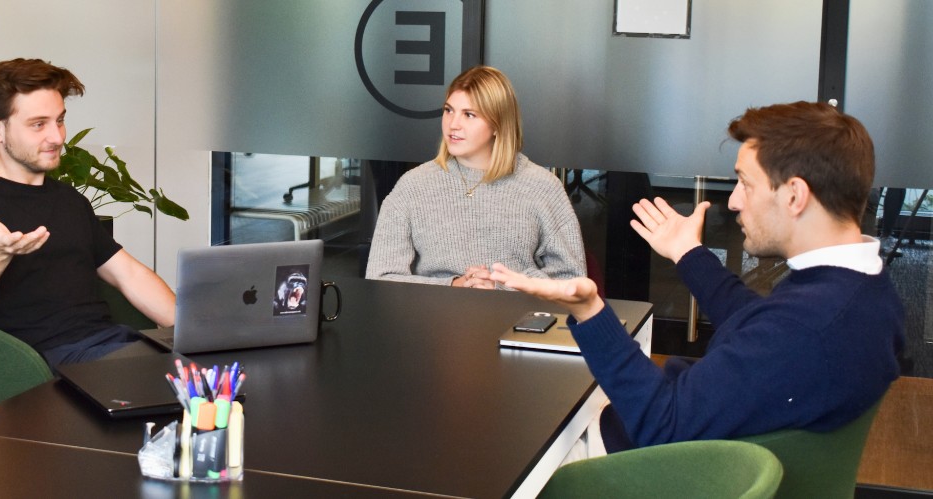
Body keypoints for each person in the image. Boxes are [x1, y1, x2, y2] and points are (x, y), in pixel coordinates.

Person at [492, 101, 904, 454]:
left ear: (795, 195)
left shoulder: (807, 328)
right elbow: (758, 324)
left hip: (635, 464)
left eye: (744, 182)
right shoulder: (862, 288)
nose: (734, 201)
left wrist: (589, 310)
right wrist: (688, 253)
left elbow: (661, 425)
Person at [0, 58, 175, 370]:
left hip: (110, 347)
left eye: (59, 121)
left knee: (217, 378)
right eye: (38, 124)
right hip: (43, 367)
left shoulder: (70, 201)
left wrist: (197, 332)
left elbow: (129, 275)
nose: (57, 137)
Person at [365, 66, 585, 288]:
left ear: (498, 125)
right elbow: (380, 278)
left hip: (517, 319)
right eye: (449, 110)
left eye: (469, 115)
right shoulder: (412, 186)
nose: (453, 124)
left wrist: (502, 287)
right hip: (433, 318)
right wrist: (454, 286)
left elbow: (572, 281)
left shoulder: (542, 187)